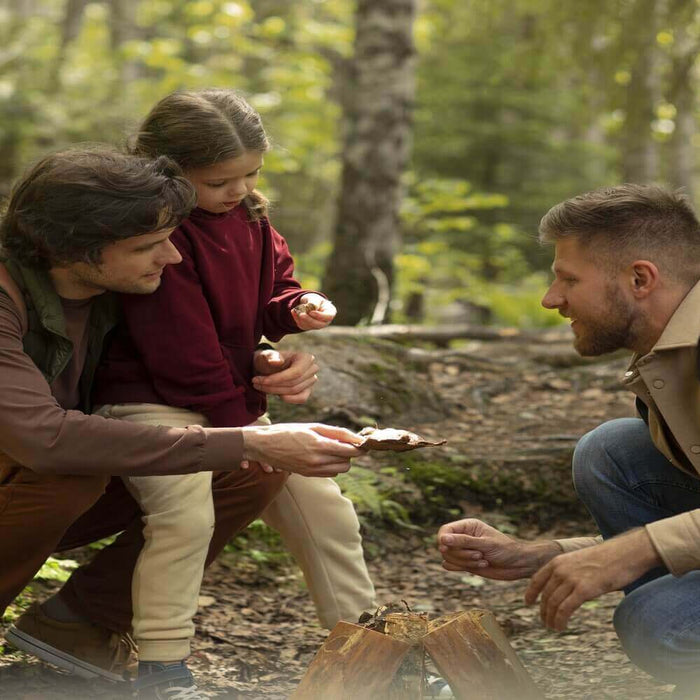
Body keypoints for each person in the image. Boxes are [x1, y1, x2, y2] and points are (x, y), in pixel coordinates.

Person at [0, 147, 363, 696]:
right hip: (32, 473)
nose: (171, 257)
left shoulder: (112, 289)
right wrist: (244, 437)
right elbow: (45, 438)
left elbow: (180, 349)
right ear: (73, 246)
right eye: (147, 246)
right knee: (71, 471)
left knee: (247, 470)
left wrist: (261, 358)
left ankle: (79, 623)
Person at [91, 88, 376, 697]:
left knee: (326, 509)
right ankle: (162, 667)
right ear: (167, 172)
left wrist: (296, 308)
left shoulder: (250, 218)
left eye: (252, 174)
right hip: (149, 401)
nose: (241, 189)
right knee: (183, 516)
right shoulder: (156, 236)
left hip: (230, 402)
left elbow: (268, 294)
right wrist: (248, 434)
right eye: (222, 179)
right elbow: (178, 351)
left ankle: (369, 652)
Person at [437, 184, 700, 696]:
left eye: (569, 279)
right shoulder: (670, 355)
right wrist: (544, 555)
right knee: (613, 452)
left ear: (640, 278)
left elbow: (653, 542)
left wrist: (635, 550)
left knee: (661, 625)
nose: (550, 298)